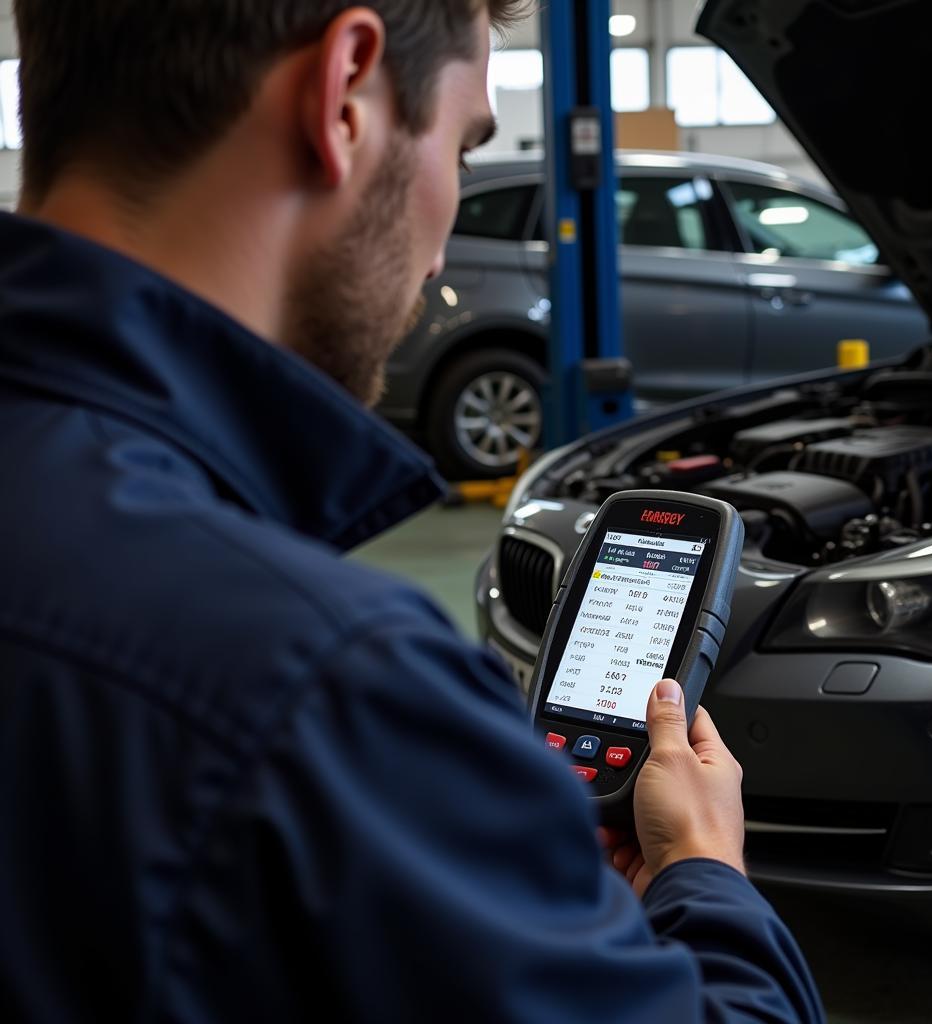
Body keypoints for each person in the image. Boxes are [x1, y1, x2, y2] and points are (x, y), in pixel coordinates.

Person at [0, 2, 825, 1021]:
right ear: (345, 92)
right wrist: (705, 873)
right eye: (461, 146)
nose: (442, 249)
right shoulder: (325, 686)